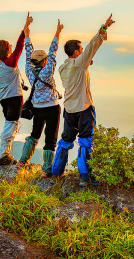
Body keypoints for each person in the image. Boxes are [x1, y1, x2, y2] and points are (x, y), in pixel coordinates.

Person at [52, 14, 115, 186]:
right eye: (80, 50)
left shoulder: (63, 68)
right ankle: (85, 177)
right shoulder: (79, 63)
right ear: (76, 52)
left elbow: (81, 62)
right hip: (84, 108)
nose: (82, 51)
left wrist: (85, 63)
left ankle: (56, 171)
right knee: (86, 141)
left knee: (65, 140)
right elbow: (92, 47)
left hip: (69, 110)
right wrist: (104, 28)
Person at [0, 13, 32, 165]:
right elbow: (19, 46)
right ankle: (3, 155)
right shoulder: (10, 63)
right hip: (14, 99)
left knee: (11, 122)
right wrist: (25, 29)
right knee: (11, 124)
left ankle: (5, 153)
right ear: (7, 50)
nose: (12, 46)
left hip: (3, 99)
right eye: (9, 46)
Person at [18, 18, 64, 178]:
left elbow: (28, 52)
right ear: (44, 62)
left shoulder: (29, 71)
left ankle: (23, 161)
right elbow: (53, 52)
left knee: (35, 134)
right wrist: (57, 33)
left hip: (37, 108)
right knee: (50, 138)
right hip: (52, 107)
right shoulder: (47, 70)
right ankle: (46, 169)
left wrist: (27, 34)